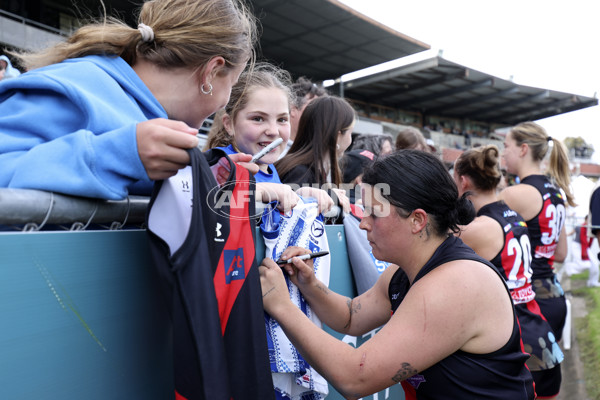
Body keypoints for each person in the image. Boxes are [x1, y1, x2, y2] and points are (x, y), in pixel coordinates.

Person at [260, 150, 535, 400]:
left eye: (373, 213)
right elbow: (351, 317)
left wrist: (282, 306)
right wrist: (308, 284)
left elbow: (355, 378)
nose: (363, 223)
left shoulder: (456, 283)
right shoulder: (405, 271)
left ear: (417, 220)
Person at [0, 0, 257, 200]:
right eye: (231, 85)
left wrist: (200, 176)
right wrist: (122, 154)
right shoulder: (73, 85)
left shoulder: (147, 116)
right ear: (211, 71)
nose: (225, 102)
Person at [454, 145, 564, 399]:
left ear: (463, 180)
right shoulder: (515, 215)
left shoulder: (477, 229)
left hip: (517, 346)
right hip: (541, 336)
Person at [204, 62, 333, 214]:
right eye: (258, 118)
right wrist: (259, 191)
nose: (273, 131)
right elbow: (206, 202)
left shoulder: (270, 169)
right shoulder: (220, 163)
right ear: (229, 124)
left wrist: (299, 195)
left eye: (282, 120)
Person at [498, 121, 576, 342]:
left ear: (523, 149)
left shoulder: (514, 195)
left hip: (528, 302)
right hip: (553, 295)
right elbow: (559, 254)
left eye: (507, 146)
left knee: (525, 376)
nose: (504, 153)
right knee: (548, 375)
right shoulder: (557, 193)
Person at [279, 76, 329, 158]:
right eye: (315, 107)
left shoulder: (318, 154)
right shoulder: (273, 151)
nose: (320, 115)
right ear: (293, 109)